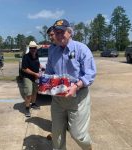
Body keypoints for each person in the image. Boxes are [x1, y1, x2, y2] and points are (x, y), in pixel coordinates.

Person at [45, 19, 97, 150]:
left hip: (78, 98)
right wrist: (45, 81)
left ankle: (88, 148)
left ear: (69, 32)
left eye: (62, 32)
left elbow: (90, 74)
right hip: (58, 98)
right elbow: (50, 71)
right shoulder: (52, 50)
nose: (59, 35)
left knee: (78, 135)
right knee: (57, 135)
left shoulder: (81, 49)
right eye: (56, 32)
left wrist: (77, 85)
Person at [21, 41, 41, 117]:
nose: (33, 49)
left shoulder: (36, 55)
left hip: (35, 77)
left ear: (36, 48)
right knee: (28, 93)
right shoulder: (26, 57)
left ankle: (33, 104)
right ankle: (27, 108)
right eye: (32, 48)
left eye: (34, 48)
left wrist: (41, 66)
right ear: (29, 48)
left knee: (35, 92)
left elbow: (37, 63)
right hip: (28, 77)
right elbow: (24, 69)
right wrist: (35, 74)